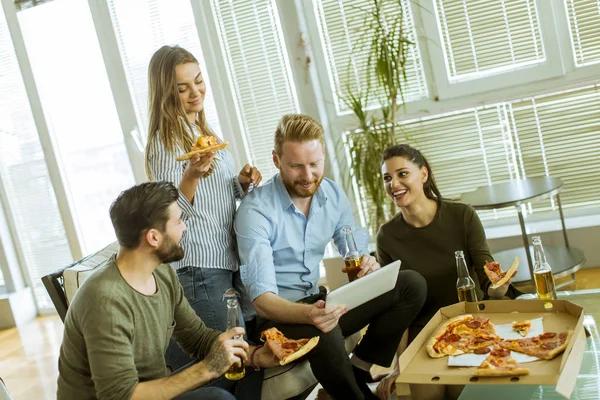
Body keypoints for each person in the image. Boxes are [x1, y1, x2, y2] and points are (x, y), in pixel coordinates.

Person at [234, 114, 427, 400]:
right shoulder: (255, 211)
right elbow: (262, 301)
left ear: (323, 154)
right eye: (296, 166)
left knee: (411, 284)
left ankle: (359, 371)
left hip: (317, 301)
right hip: (275, 319)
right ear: (276, 160)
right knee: (322, 329)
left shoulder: (333, 194)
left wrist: (366, 264)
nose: (308, 175)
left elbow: (355, 249)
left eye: (314, 164)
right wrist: (313, 314)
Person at [57, 182, 278, 400]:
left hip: (149, 391)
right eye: (179, 220)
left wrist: (254, 355)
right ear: (154, 237)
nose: (185, 227)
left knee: (241, 366)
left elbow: (197, 338)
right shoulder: (105, 300)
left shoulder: (161, 273)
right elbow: (119, 395)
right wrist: (208, 368)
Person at [145, 45, 262, 371]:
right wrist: (192, 174)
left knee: (242, 359)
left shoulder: (203, 133)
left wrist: (240, 182)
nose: (195, 92)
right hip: (198, 269)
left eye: (198, 81)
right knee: (224, 367)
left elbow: (215, 198)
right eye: (183, 88)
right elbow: (171, 213)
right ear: (166, 93)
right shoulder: (165, 142)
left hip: (225, 261)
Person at [374, 144, 522, 400]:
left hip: (472, 326)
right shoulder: (387, 236)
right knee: (421, 394)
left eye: (402, 174)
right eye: (388, 178)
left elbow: (487, 275)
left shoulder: (462, 215)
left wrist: (499, 288)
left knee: (460, 392)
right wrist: (399, 366)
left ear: (423, 174)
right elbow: (395, 309)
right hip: (424, 336)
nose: (394, 183)